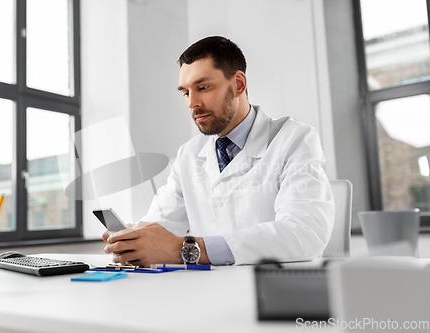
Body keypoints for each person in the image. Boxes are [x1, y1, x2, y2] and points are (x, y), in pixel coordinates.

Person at [103, 36, 334, 267]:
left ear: (238, 84)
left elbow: (304, 233)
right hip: (206, 291)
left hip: (271, 293)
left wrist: (186, 249)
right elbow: (160, 224)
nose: (192, 103)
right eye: (185, 92)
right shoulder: (189, 155)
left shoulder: (295, 139)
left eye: (203, 87)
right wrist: (133, 240)